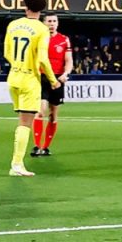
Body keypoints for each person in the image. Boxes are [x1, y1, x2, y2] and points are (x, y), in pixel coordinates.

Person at [4, 0, 61, 176]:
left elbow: (7, 53)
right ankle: (17, 165)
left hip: (13, 77)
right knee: (25, 123)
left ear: (25, 6)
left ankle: (17, 164)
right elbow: (43, 59)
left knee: (21, 120)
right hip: (29, 80)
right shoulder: (42, 29)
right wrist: (53, 80)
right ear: (41, 10)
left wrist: (17, 66)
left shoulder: (13, 25)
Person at [32, 12, 73, 156]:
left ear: (58, 23)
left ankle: (46, 147)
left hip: (58, 79)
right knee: (40, 111)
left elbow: (68, 60)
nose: (52, 24)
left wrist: (65, 74)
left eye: (54, 21)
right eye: (49, 21)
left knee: (53, 115)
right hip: (42, 77)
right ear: (43, 23)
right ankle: (37, 146)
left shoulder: (64, 39)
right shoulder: (38, 38)